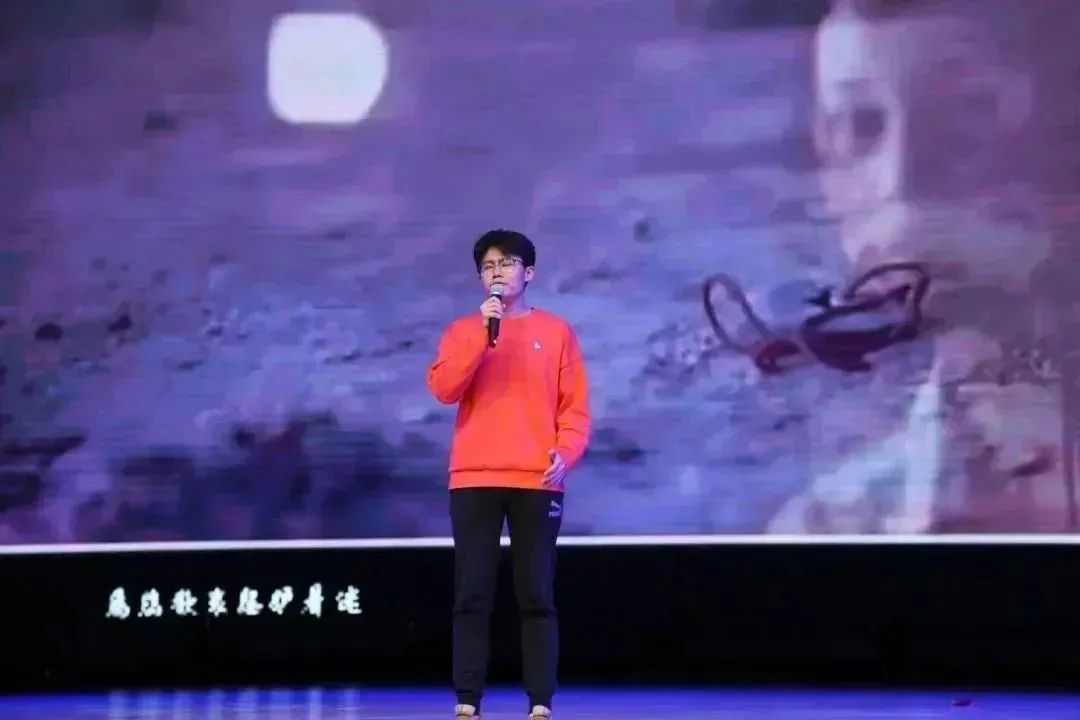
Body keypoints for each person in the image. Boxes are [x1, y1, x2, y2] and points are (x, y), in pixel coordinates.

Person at [426, 229, 591, 720]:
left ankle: (540, 700)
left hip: (536, 479)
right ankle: (467, 699)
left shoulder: (556, 332)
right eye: (488, 266)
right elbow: (445, 389)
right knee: (472, 593)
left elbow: (574, 406)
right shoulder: (463, 330)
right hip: (474, 477)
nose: (497, 272)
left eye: (507, 263)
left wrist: (566, 452)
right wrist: (482, 336)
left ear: (529, 273)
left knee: (536, 593)